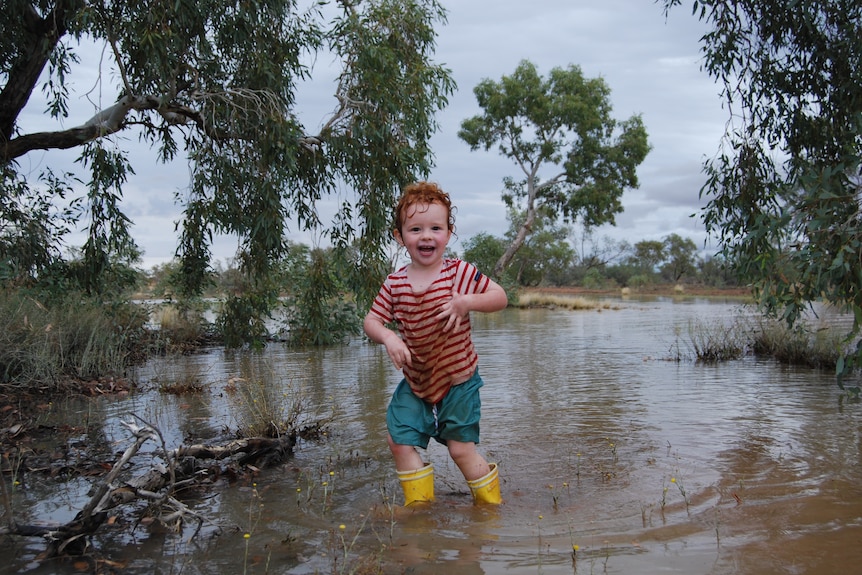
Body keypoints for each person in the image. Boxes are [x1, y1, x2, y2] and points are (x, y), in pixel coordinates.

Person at [363, 181, 509, 506]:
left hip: (459, 380)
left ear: (448, 232)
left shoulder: (459, 272)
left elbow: (500, 297)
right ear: (400, 237)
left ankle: (490, 510)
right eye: (415, 229)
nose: (426, 235)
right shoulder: (395, 283)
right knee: (398, 440)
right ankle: (419, 510)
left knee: (460, 449)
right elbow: (371, 321)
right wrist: (388, 336)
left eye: (435, 228)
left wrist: (466, 303)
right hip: (416, 381)